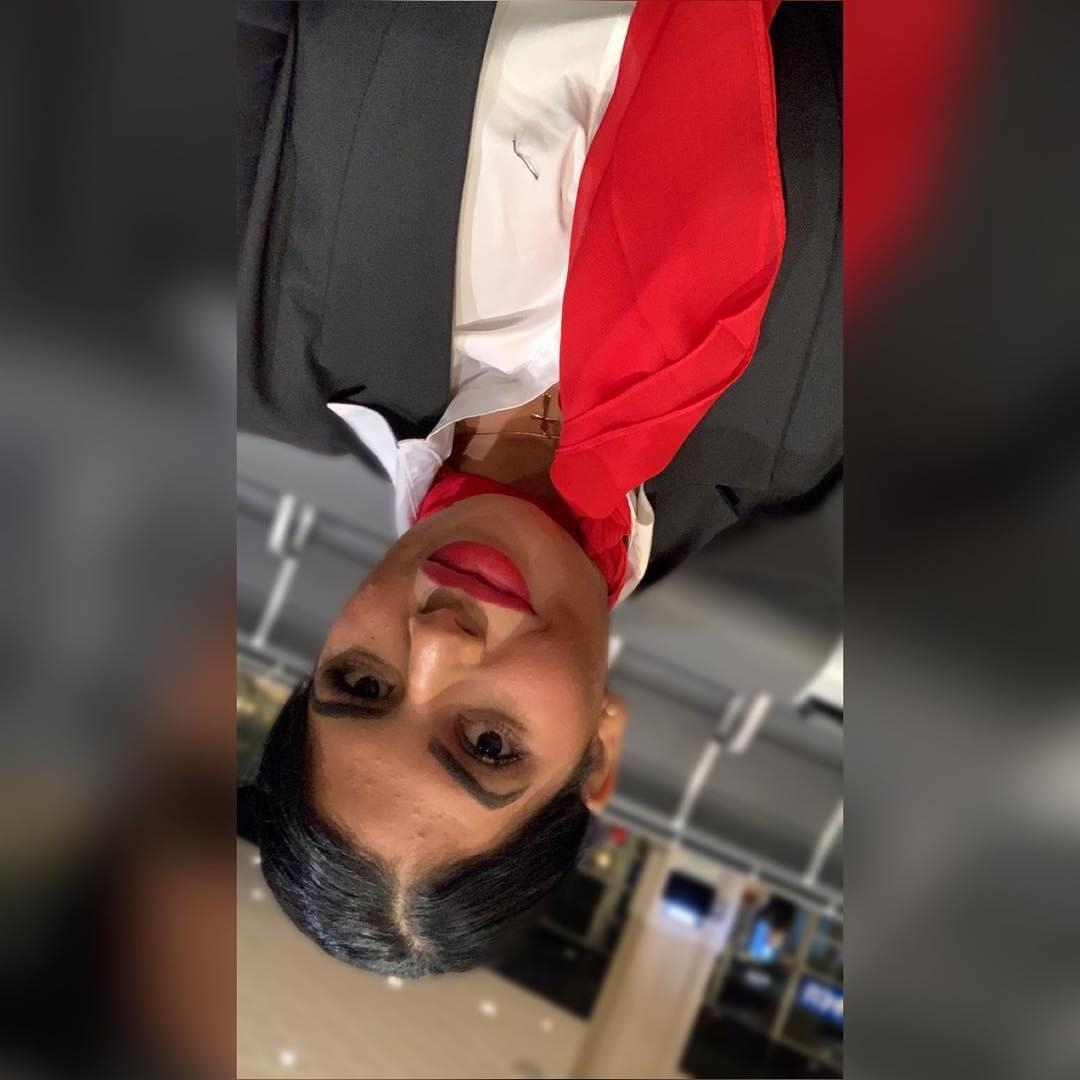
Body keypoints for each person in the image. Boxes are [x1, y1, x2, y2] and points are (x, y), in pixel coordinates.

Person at [237, 0, 841, 976]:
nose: (436, 643)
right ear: (598, 754)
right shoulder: (814, 457)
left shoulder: (252, 322)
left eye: (362, 684)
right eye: (486, 742)